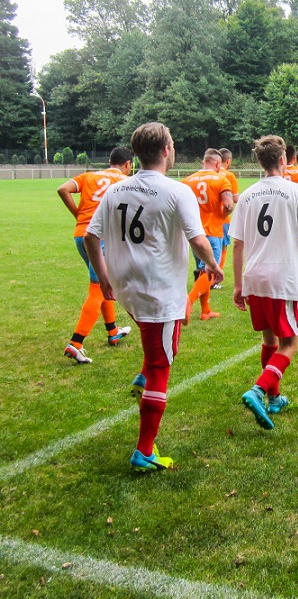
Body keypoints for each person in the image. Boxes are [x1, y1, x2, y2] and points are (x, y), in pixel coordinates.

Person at [85, 121, 224, 472]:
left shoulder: (116, 190)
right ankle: (144, 450)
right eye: (173, 144)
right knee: (163, 363)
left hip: (126, 289)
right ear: (166, 150)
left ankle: (143, 380)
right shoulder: (176, 192)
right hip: (157, 291)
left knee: (165, 347)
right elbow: (196, 238)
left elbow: (91, 236)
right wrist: (213, 265)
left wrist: (103, 277)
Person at [233, 135, 298, 430]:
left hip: (254, 276)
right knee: (290, 343)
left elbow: (237, 244)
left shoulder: (246, 195)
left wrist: (238, 285)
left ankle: (275, 399)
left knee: (269, 340)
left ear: (259, 162)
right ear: (284, 159)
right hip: (282, 277)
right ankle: (258, 390)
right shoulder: (297, 192)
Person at [58, 147, 134, 364]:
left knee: (102, 284)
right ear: (127, 164)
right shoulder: (124, 181)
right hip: (102, 237)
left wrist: (78, 215)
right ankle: (76, 343)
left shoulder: (89, 175)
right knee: (96, 287)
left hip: (81, 235)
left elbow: (62, 189)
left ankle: (113, 331)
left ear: (110, 160)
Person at [182, 149, 233, 321]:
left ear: (204, 161)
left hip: (195, 234)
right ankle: (188, 301)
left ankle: (205, 311)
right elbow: (229, 206)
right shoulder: (221, 179)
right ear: (218, 164)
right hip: (212, 231)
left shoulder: (187, 181)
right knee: (210, 271)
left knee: (203, 272)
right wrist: (222, 217)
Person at [215, 148, 240, 289]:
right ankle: (216, 278)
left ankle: (204, 275)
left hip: (206, 219)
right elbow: (235, 199)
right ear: (228, 161)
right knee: (222, 247)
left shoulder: (211, 173)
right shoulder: (229, 176)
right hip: (222, 218)